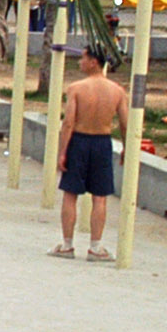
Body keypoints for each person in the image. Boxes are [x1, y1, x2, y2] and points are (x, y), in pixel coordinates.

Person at [56, 44, 127, 261]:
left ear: (93, 62)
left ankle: (67, 245)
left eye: (83, 57)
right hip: (102, 142)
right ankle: (96, 247)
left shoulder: (76, 88)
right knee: (100, 197)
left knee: (70, 194)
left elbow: (68, 123)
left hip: (79, 140)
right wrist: (126, 147)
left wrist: (62, 151)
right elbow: (125, 123)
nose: (79, 62)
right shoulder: (117, 91)